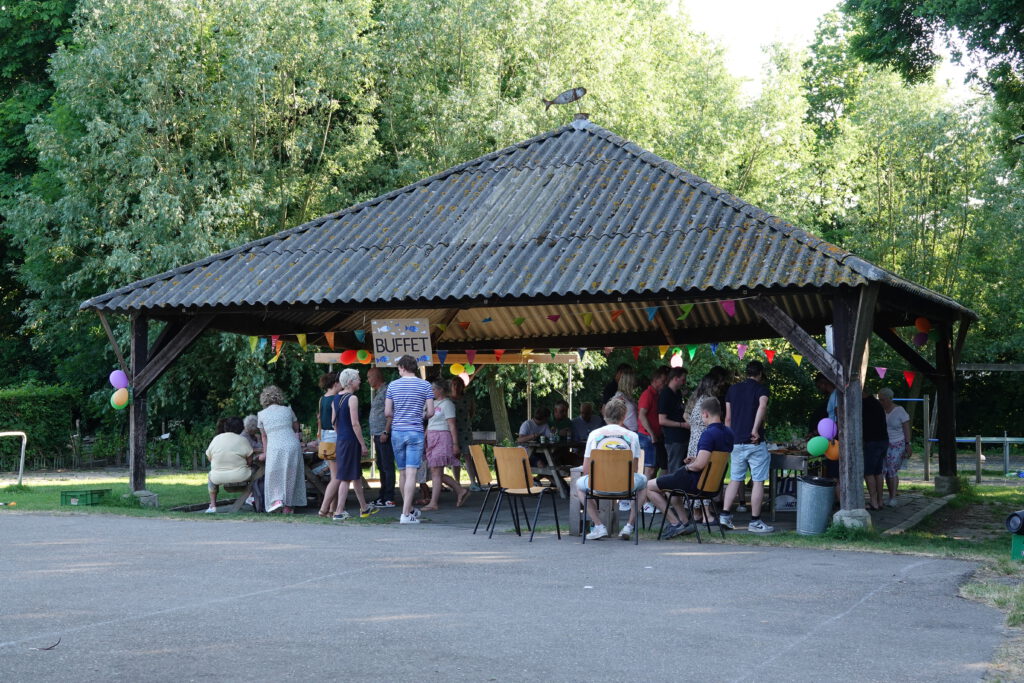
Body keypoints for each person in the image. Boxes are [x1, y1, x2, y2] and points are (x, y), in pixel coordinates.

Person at [647, 397, 734, 539]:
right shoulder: (729, 433)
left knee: (648, 486)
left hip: (696, 482)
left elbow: (699, 466)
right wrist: (696, 459)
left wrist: (688, 467)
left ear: (705, 414)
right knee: (669, 488)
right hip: (712, 484)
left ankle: (675, 523)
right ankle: (685, 523)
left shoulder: (708, 434)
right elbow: (713, 459)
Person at [575, 397, 647, 541]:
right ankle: (629, 526)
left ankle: (598, 525)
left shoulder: (594, 435)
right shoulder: (633, 436)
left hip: (598, 485)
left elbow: (586, 469)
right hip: (625, 486)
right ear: (624, 416)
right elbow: (634, 469)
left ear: (604, 414)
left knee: (579, 485)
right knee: (644, 481)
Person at [720, 361, 773, 533]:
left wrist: (729, 438)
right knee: (758, 481)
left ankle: (725, 516)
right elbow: (762, 407)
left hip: (736, 442)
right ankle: (755, 521)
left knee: (735, 479)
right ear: (760, 374)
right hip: (755, 443)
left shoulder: (732, 390)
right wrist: (755, 430)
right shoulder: (761, 389)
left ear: (746, 373)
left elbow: (728, 419)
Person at [385, 354, 434, 524]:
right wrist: (420, 415)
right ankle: (407, 513)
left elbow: (387, 412)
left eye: (398, 367)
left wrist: (400, 415)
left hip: (397, 432)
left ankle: (407, 511)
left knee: (403, 472)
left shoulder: (392, 386)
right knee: (412, 472)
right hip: (415, 431)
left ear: (402, 367)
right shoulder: (425, 385)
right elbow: (431, 412)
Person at [683, 366, 730, 520]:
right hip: (703, 442)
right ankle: (705, 513)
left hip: (694, 441)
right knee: (705, 476)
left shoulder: (698, 399)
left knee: (697, 477)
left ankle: (697, 512)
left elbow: (687, 416)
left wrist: (694, 427)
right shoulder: (709, 402)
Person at [330, 369, 376, 521]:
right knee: (345, 477)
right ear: (350, 382)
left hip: (341, 440)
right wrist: (363, 444)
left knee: (355, 475)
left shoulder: (336, 398)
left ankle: (364, 507)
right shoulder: (352, 398)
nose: (360, 381)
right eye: (357, 378)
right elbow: (355, 424)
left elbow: (333, 422)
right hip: (351, 440)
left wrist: (341, 435)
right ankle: (338, 511)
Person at [423, 380, 470, 510]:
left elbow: (452, 425)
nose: (431, 392)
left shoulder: (448, 404)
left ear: (441, 390)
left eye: (433, 389)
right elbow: (430, 422)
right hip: (432, 437)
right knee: (435, 471)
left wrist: (455, 444)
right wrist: (425, 436)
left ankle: (434, 503)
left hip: (442, 437)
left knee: (436, 471)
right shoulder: (432, 403)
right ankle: (460, 490)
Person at [257, 385, 305, 514]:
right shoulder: (288, 410)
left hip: (274, 446)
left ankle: (277, 499)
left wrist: (265, 452)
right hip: (292, 445)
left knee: (273, 473)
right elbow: (296, 427)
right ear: (279, 396)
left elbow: (264, 436)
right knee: (291, 475)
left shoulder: (261, 415)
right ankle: (288, 506)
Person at [204, 416, 253, 513]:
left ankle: (212, 506)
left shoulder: (216, 439)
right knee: (258, 472)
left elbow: (209, 458)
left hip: (218, 477)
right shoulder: (243, 440)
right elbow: (250, 461)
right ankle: (251, 496)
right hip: (241, 475)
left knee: (210, 475)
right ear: (241, 428)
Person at [367, 367, 396, 508]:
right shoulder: (379, 391)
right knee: (381, 465)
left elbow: (391, 413)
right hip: (377, 434)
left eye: (369, 377)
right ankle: (382, 496)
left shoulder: (387, 391)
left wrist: (386, 431)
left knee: (387, 465)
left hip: (384, 434)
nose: (368, 380)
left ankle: (389, 497)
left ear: (376, 377)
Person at [877, 387, 911, 507]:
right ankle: (886, 496)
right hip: (884, 443)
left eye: (882, 400)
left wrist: (908, 444)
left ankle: (893, 497)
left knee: (892, 470)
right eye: (879, 399)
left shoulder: (900, 410)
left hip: (897, 443)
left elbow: (906, 428)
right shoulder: (880, 410)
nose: (880, 402)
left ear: (889, 399)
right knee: (883, 470)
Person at [315, 372, 342, 517]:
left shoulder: (322, 399)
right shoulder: (336, 399)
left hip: (325, 438)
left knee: (334, 475)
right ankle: (324, 509)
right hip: (335, 436)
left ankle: (332, 509)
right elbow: (336, 421)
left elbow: (320, 420)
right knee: (337, 476)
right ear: (335, 383)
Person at [638, 366, 668, 481]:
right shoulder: (648, 394)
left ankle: (649, 491)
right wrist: (652, 434)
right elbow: (642, 415)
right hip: (647, 436)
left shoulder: (656, 395)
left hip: (652, 436)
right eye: (663, 381)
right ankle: (644, 492)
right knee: (649, 469)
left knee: (654, 468)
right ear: (655, 380)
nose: (664, 384)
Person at [658, 367, 690, 473]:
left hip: (682, 438)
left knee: (681, 470)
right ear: (675, 378)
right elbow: (662, 420)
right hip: (674, 439)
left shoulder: (678, 393)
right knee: (674, 470)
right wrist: (682, 425)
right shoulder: (665, 394)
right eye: (683, 379)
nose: (684, 382)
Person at [862, 388, 889, 511]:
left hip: (872, 442)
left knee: (868, 473)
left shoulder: (864, 404)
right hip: (883, 440)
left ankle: (873, 502)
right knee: (878, 472)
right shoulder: (877, 403)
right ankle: (880, 501)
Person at [450, 376, 478, 489]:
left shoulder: (468, 398)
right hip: (452, 432)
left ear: (462, 386)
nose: (456, 387)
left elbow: (472, 413)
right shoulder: (448, 400)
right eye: (454, 384)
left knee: (468, 456)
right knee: (455, 457)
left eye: (459, 384)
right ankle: (456, 483)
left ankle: (473, 482)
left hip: (466, 431)